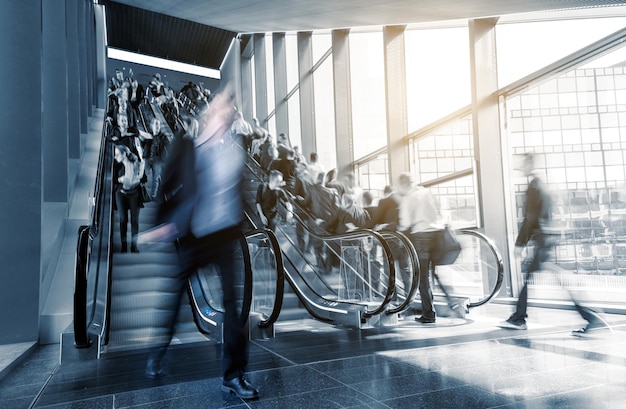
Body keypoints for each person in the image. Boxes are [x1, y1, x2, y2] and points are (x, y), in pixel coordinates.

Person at [137, 88, 259, 399]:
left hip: (225, 236)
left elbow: (241, 192)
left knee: (234, 305)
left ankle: (234, 375)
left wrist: (254, 227)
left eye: (229, 111)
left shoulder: (234, 149)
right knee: (175, 295)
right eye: (220, 108)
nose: (225, 113)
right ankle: (158, 351)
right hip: (193, 236)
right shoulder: (188, 144)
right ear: (209, 112)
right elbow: (167, 183)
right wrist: (158, 227)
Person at [498, 153, 610, 335]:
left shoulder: (534, 187)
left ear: (530, 164)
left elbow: (530, 218)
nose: (519, 167)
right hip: (548, 239)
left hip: (543, 240)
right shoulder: (544, 186)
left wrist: (520, 244)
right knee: (545, 279)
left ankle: (592, 317)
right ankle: (520, 317)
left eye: (522, 163)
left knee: (549, 280)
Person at [397, 172, 442, 324]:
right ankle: (439, 304)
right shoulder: (427, 192)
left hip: (421, 237)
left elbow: (405, 222)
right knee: (432, 273)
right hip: (436, 234)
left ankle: (429, 313)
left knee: (423, 276)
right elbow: (439, 211)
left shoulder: (409, 198)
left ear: (404, 184)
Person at [113, 144, 145, 253]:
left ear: (124, 154)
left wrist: (137, 177)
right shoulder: (117, 166)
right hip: (121, 194)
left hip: (134, 194)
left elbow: (143, 178)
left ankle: (134, 246)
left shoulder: (136, 163)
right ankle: (123, 246)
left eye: (117, 154)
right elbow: (113, 180)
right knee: (123, 220)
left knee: (134, 221)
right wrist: (120, 180)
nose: (115, 157)